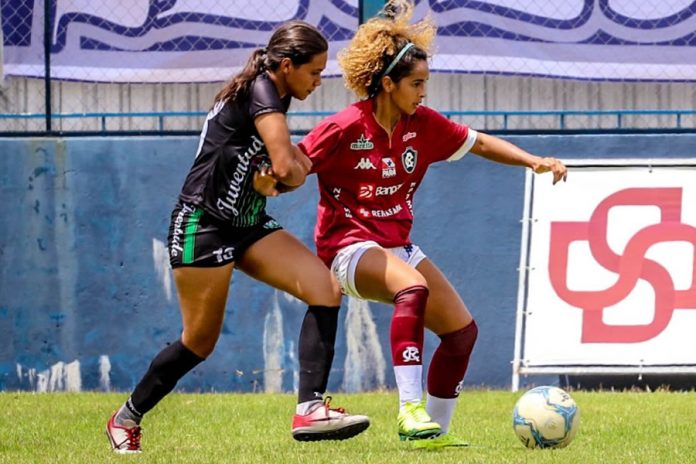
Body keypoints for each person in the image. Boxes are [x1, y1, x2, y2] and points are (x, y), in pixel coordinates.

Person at [290, 0, 567, 450]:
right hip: (347, 251)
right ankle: (409, 408)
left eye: (425, 83)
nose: (423, 92)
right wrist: (265, 179)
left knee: (462, 333)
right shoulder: (343, 127)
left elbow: (478, 143)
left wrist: (532, 160)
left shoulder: (423, 125)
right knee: (412, 287)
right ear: (386, 84)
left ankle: (431, 432)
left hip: (397, 246)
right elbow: (294, 166)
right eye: (416, 83)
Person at [105, 20, 369, 454]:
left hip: (247, 223)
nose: (320, 82)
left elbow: (286, 169)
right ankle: (125, 418)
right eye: (315, 72)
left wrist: (282, 176)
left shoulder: (277, 94)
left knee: (325, 288)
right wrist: (286, 176)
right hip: (202, 225)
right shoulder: (262, 93)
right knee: (198, 342)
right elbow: (289, 168)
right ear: (287, 65)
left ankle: (310, 409)